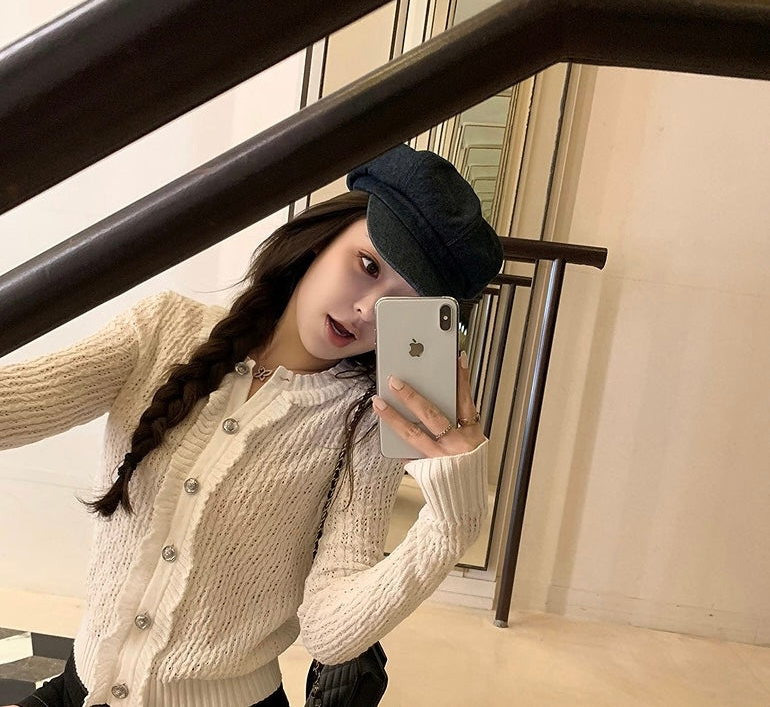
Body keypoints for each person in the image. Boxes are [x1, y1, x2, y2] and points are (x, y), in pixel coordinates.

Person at [0, 143, 503, 707]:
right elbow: (14, 408)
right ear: (321, 239)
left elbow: (329, 633)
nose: (367, 311)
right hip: (81, 689)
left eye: (401, 306)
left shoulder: (364, 422)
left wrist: (449, 525)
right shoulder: (162, 328)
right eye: (367, 266)